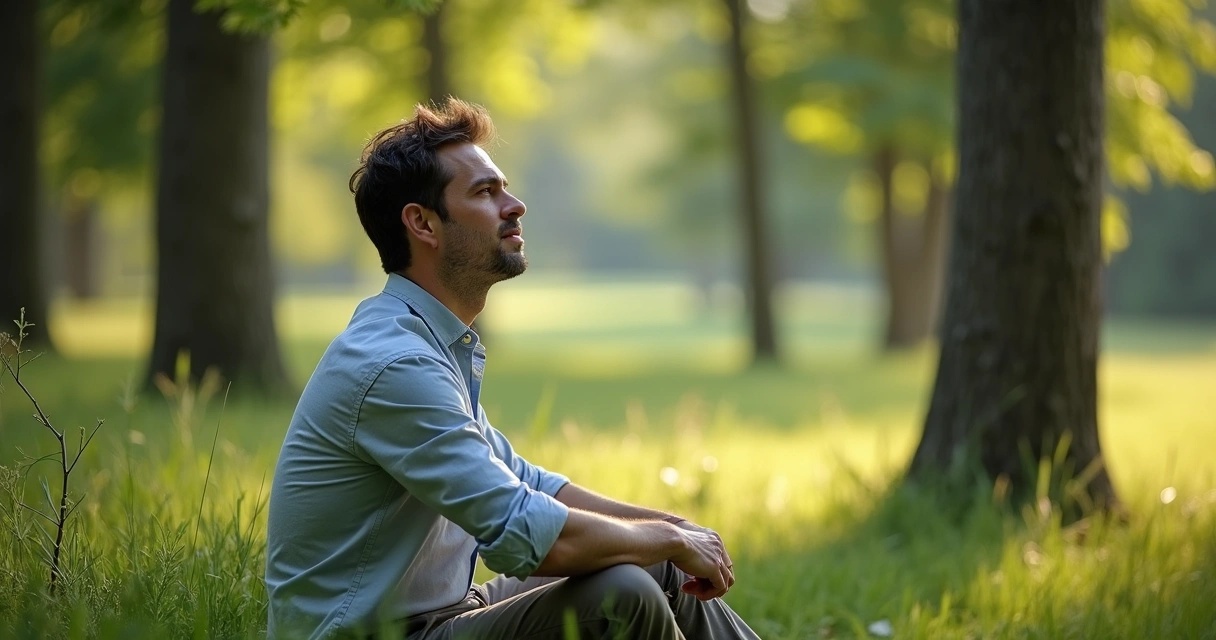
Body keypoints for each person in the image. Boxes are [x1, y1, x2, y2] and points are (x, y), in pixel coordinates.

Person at [265, 99, 762, 640]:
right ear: (422, 223)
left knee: (651, 561)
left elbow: (528, 484)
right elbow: (524, 532)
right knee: (623, 595)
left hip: (446, 610)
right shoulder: (394, 365)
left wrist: (673, 530)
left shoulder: (428, 341)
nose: (515, 205)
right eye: (485, 192)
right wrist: (668, 540)